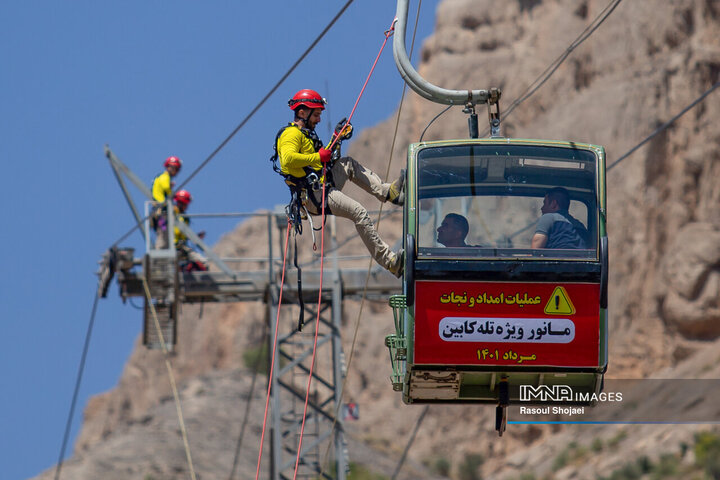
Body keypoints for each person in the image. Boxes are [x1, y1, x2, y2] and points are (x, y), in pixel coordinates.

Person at [274, 88, 405, 276]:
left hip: (321, 184)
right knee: (359, 213)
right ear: (302, 112)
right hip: (315, 195)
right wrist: (317, 157)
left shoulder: (307, 135)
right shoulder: (290, 134)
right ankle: (391, 262)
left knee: (348, 164)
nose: (319, 119)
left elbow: (324, 160)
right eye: (316, 114)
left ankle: (388, 192)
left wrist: (337, 138)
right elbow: (287, 160)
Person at [172, 190, 209, 271]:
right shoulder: (172, 214)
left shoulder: (183, 217)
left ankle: (185, 271)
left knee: (201, 265)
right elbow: (177, 231)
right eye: (186, 204)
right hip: (177, 247)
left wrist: (195, 237)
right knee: (203, 263)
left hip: (181, 247)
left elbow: (183, 234)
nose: (187, 206)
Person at [152, 156, 182, 249]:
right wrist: (172, 192)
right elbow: (166, 188)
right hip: (161, 212)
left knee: (164, 234)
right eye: (174, 168)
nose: (175, 171)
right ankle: (159, 252)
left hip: (159, 211)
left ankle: (161, 250)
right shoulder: (165, 177)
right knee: (163, 234)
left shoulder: (161, 177)